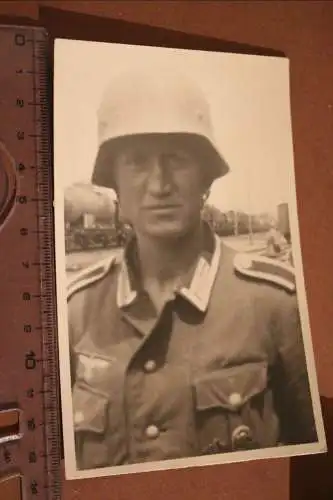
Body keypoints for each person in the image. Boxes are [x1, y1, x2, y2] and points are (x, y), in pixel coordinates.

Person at [67, 67, 317, 470]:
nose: (159, 184)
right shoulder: (73, 313)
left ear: (206, 176)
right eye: (136, 162)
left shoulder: (279, 304)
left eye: (177, 159)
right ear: (113, 184)